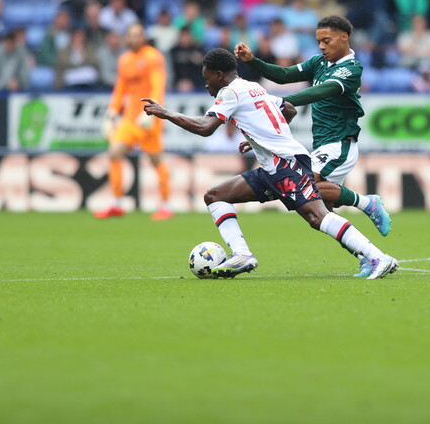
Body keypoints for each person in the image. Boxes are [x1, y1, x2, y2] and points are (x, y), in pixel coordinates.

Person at [141, 48, 398, 280]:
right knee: (215, 196)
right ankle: (242, 255)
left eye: (207, 78)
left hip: (288, 164)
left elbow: (206, 127)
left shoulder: (230, 92)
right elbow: (287, 109)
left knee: (317, 216)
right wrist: (259, 139)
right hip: (273, 168)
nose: (206, 84)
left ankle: (378, 257)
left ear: (219, 75)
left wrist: (166, 113)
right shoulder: (251, 86)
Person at [234, 16, 392, 273]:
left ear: (344, 37)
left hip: (339, 143)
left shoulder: (350, 69)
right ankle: (366, 256)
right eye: (318, 41)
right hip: (321, 146)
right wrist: (254, 61)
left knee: (309, 187)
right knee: (320, 216)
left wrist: (283, 102)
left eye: (326, 41)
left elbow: (322, 91)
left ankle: (366, 204)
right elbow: (285, 75)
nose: (321, 47)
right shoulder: (319, 62)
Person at [97, 24, 173, 221]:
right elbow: (120, 88)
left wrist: (153, 110)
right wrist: (111, 113)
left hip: (149, 117)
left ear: (143, 38)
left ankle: (165, 205)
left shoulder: (152, 57)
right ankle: (116, 203)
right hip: (130, 118)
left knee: (156, 160)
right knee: (114, 152)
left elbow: (158, 85)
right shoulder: (125, 60)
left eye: (137, 35)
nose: (133, 39)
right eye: (130, 36)